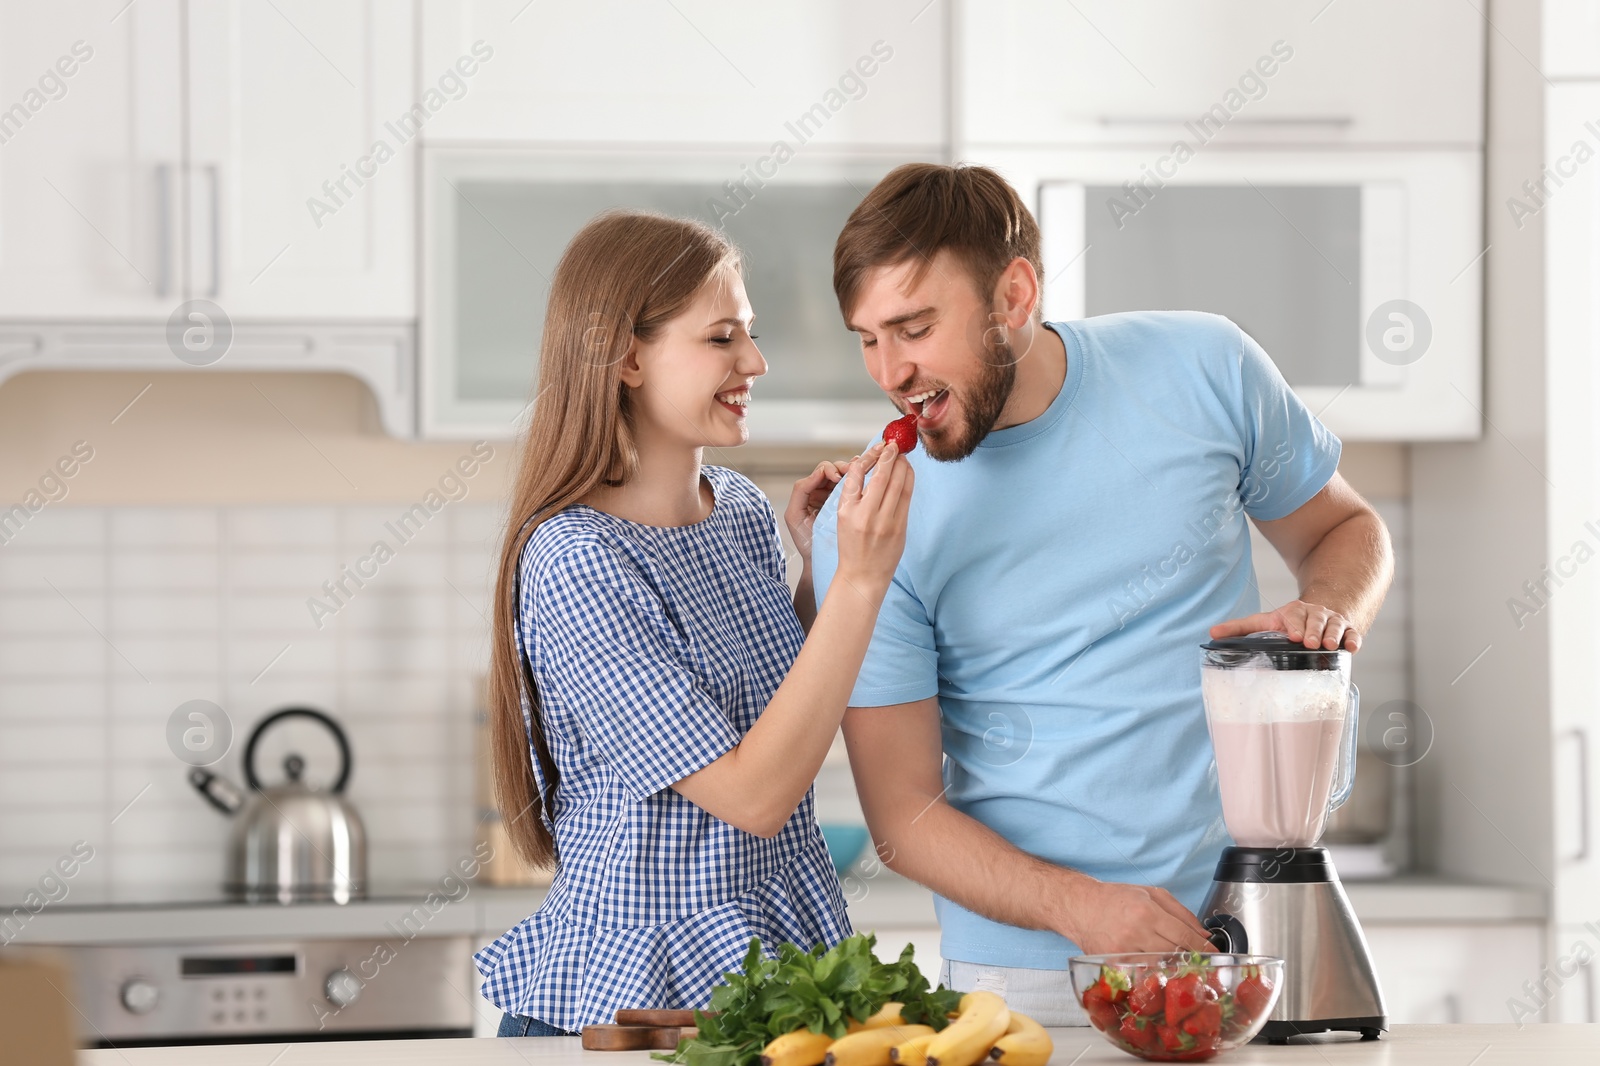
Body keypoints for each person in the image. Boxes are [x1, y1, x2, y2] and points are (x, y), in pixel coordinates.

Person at [810, 163, 1395, 1024]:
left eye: (915, 327)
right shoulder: (865, 531)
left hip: (1248, 943)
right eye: (867, 337)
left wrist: (1332, 614)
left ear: (1013, 295)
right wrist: (1084, 908)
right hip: (1028, 989)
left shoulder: (1205, 368)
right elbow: (902, 814)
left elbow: (1346, 533)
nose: (890, 371)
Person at [474, 210, 913, 1036]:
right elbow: (751, 794)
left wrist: (820, 572)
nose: (755, 361)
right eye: (721, 339)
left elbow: (772, 714)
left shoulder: (738, 511)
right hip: (644, 999)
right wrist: (861, 581)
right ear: (626, 356)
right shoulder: (576, 560)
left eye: (748, 333)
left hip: (772, 961)